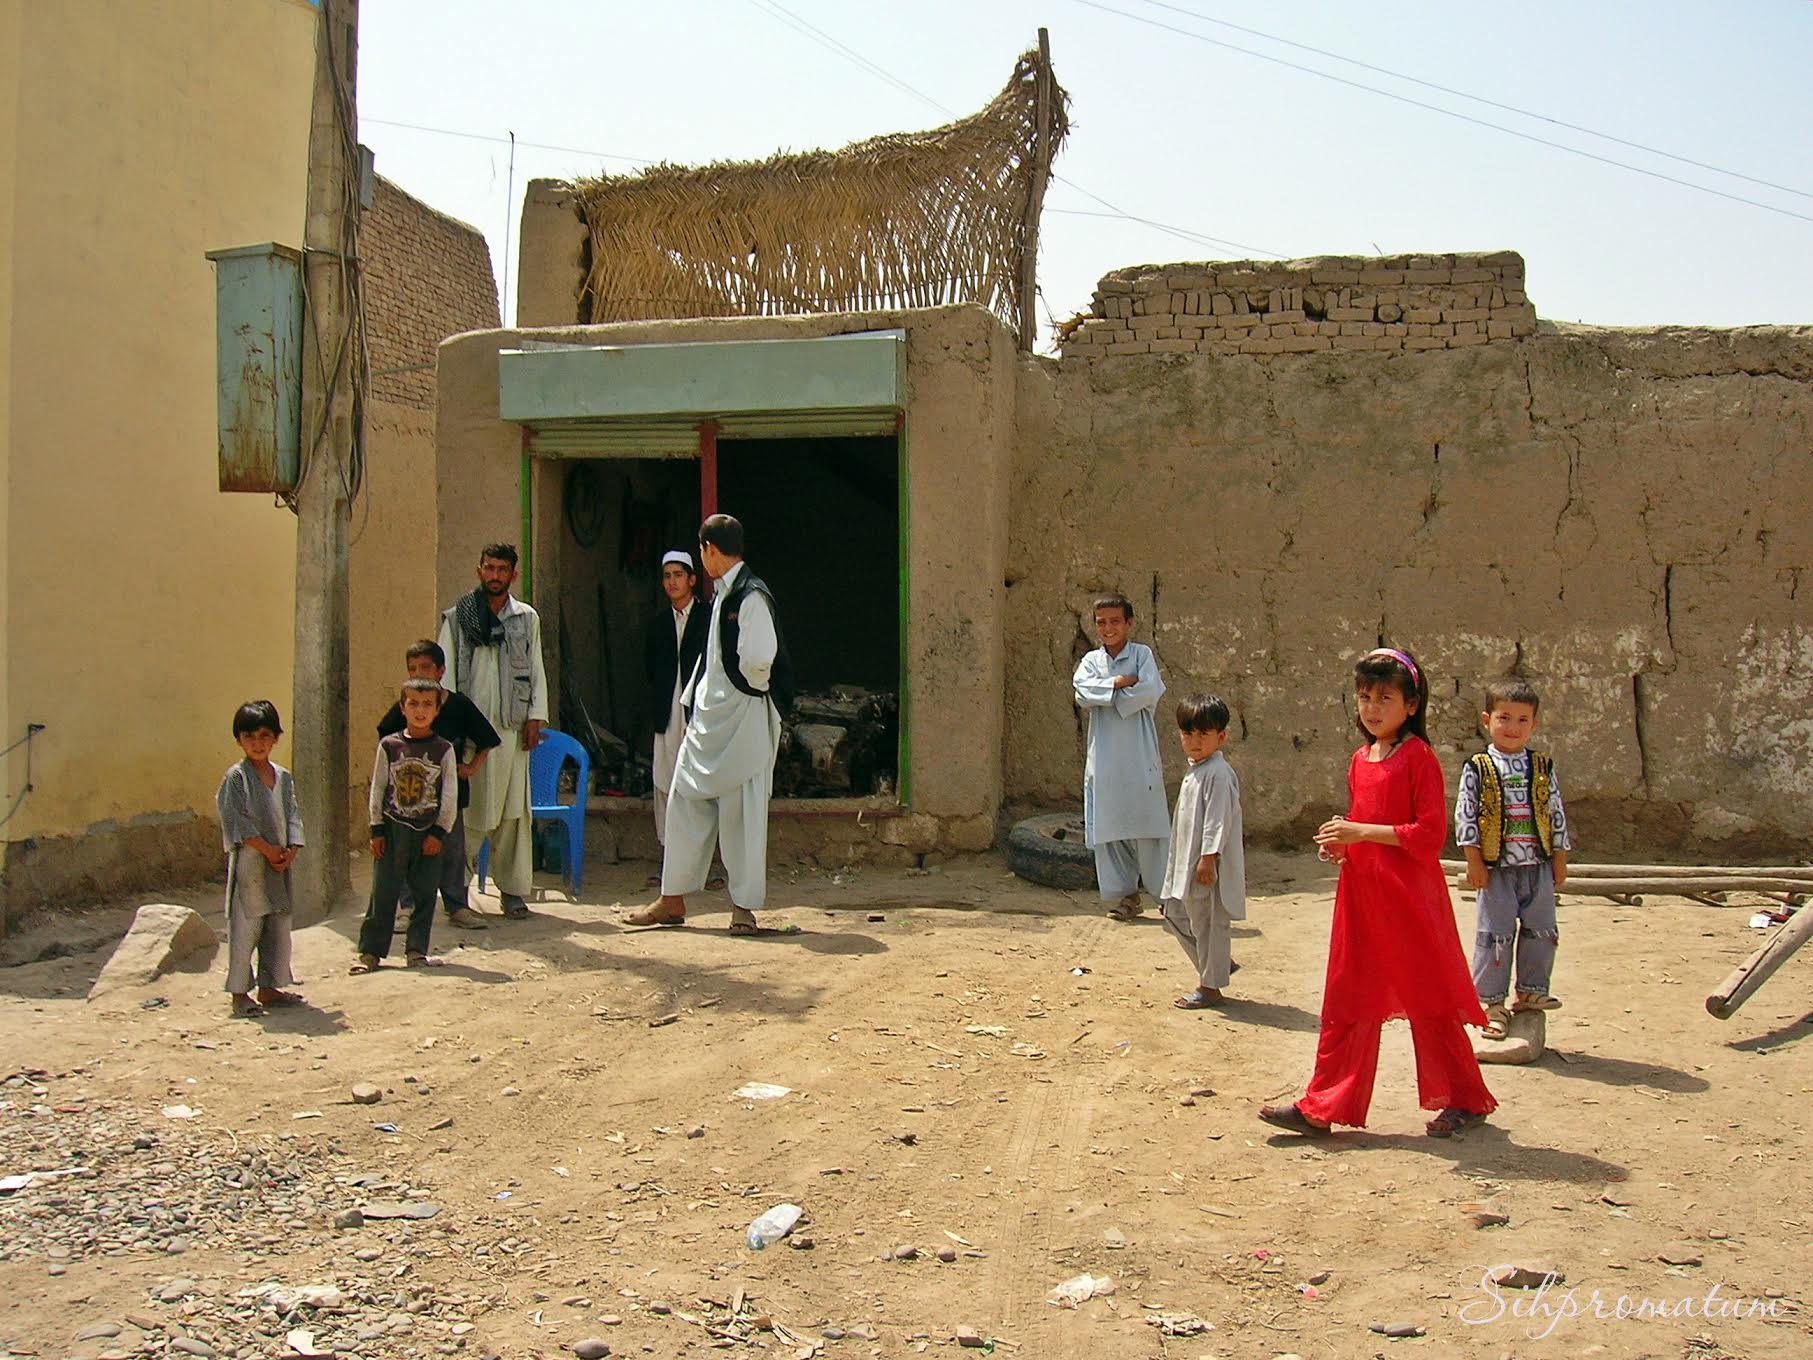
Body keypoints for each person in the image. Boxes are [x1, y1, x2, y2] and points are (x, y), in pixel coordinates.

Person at [1260, 647, 1496, 1139]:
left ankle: (1464, 1100)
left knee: (1429, 1000)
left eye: (1384, 697)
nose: (1371, 708)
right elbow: (1365, 830)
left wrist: (1361, 832)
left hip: (1409, 900)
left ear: (1411, 705)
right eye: (1364, 697)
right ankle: (1321, 1105)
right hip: (1361, 898)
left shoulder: (1419, 759)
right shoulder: (1359, 760)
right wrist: (1341, 849)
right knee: (1347, 998)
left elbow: (1428, 835)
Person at [627, 514, 787, 934]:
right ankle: (672, 899)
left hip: (742, 723)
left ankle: (742, 910)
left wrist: (739, 699)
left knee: (741, 816)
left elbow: (758, 661)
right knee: (684, 801)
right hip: (709, 725)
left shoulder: (752, 596)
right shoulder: (723, 595)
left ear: (709, 550)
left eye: (701, 552)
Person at [1455, 677, 1572, 1040]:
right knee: (1495, 935)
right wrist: (1473, 861)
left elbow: (1555, 812)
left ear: (1533, 725)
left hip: (1536, 866)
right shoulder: (1478, 767)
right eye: (1504, 718)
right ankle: (1490, 1003)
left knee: (1541, 931)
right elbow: (1466, 815)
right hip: (1497, 869)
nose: (1512, 728)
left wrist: (1559, 858)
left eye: (1522, 720)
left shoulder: (1540, 766)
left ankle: (1530, 992)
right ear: (1487, 720)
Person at [437, 543, 548, 920]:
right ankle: (457, 895)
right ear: (479, 569)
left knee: (514, 813)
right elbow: (446, 678)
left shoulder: (526, 618)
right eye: (489, 568)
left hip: (511, 730)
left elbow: (535, 669)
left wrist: (535, 717)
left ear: (513, 575)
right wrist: (450, 730)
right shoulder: (456, 619)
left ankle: (513, 893)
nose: (495, 575)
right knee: (468, 814)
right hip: (470, 737)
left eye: (502, 569)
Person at [377, 639, 502, 930]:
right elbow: (385, 739)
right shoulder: (407, 705)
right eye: (412, 669)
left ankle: (457, 906)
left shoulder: (458, 705)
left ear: (441, 670)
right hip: (411, 797)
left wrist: (471, 767)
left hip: (449, 795)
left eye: (425, 667)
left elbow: (487, 740)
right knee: (408, 851)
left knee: (451, 850)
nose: (419, 673)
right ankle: (408, 908)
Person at [1072, 595, 1170, 920]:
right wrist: (1119, 683)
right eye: (1101, 622)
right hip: (1104, 759)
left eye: (1115, 621)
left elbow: (1149, 690)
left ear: (1129, 623)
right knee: (1109, 830)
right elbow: (1082, 691)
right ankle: (1124, 898)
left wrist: (1108, 694)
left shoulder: (1142, 655)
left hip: (1139, 754)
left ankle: (1167, 898)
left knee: (1149, 827)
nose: (1108, 628)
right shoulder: (1090, 661)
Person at [352, 679, 458, 974]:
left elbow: (449, 795)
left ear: (437, 710)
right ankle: (371, 952)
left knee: (425, 894)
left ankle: (416, 951)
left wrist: (439, 832)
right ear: (402, 707)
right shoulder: (389, 745)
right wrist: (376, 829)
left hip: (427, 832)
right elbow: (378, 788)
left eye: (427, 705)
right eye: (413, 703)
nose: (420, 711)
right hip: (393, 830)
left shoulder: (443, 749)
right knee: (383, 893)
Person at [215, 699, 305, 1018]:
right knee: (246, 926)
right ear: (239, 739)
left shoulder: (283, 777)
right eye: (249, 737)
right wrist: (267, 850)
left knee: (278, 925)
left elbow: (293, 815)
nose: (257, 743)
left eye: (264, 736)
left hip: (280, 864)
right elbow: (236, 821)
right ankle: (240, 993)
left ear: (275, 738)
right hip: (251, 865)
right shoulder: (235, 778)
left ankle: (271, 987)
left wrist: (290, 851)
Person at [1159, 694, 1246, 1009]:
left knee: (1209, 924)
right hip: (1188, 864)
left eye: (1203, 734)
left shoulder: (1218, 775)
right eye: (1188, 733)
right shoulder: (1196, 770)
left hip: (1205, 867)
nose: (1194, 741)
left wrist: (1208, 858)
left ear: (1220, 737)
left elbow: (1216, 822)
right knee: (1175, 913)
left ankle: (1210, 987)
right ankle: (1218, 964)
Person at [641, 549, 710, 875]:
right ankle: (670, 859)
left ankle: (705, 862)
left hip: (703, 712)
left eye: (678, 575)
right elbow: (650, 672)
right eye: (667, 576)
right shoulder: (657, 625)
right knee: (665, 781)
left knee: (702, 785)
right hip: (667, 713)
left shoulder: (709, 619)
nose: (672, 582)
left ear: (692, 580)